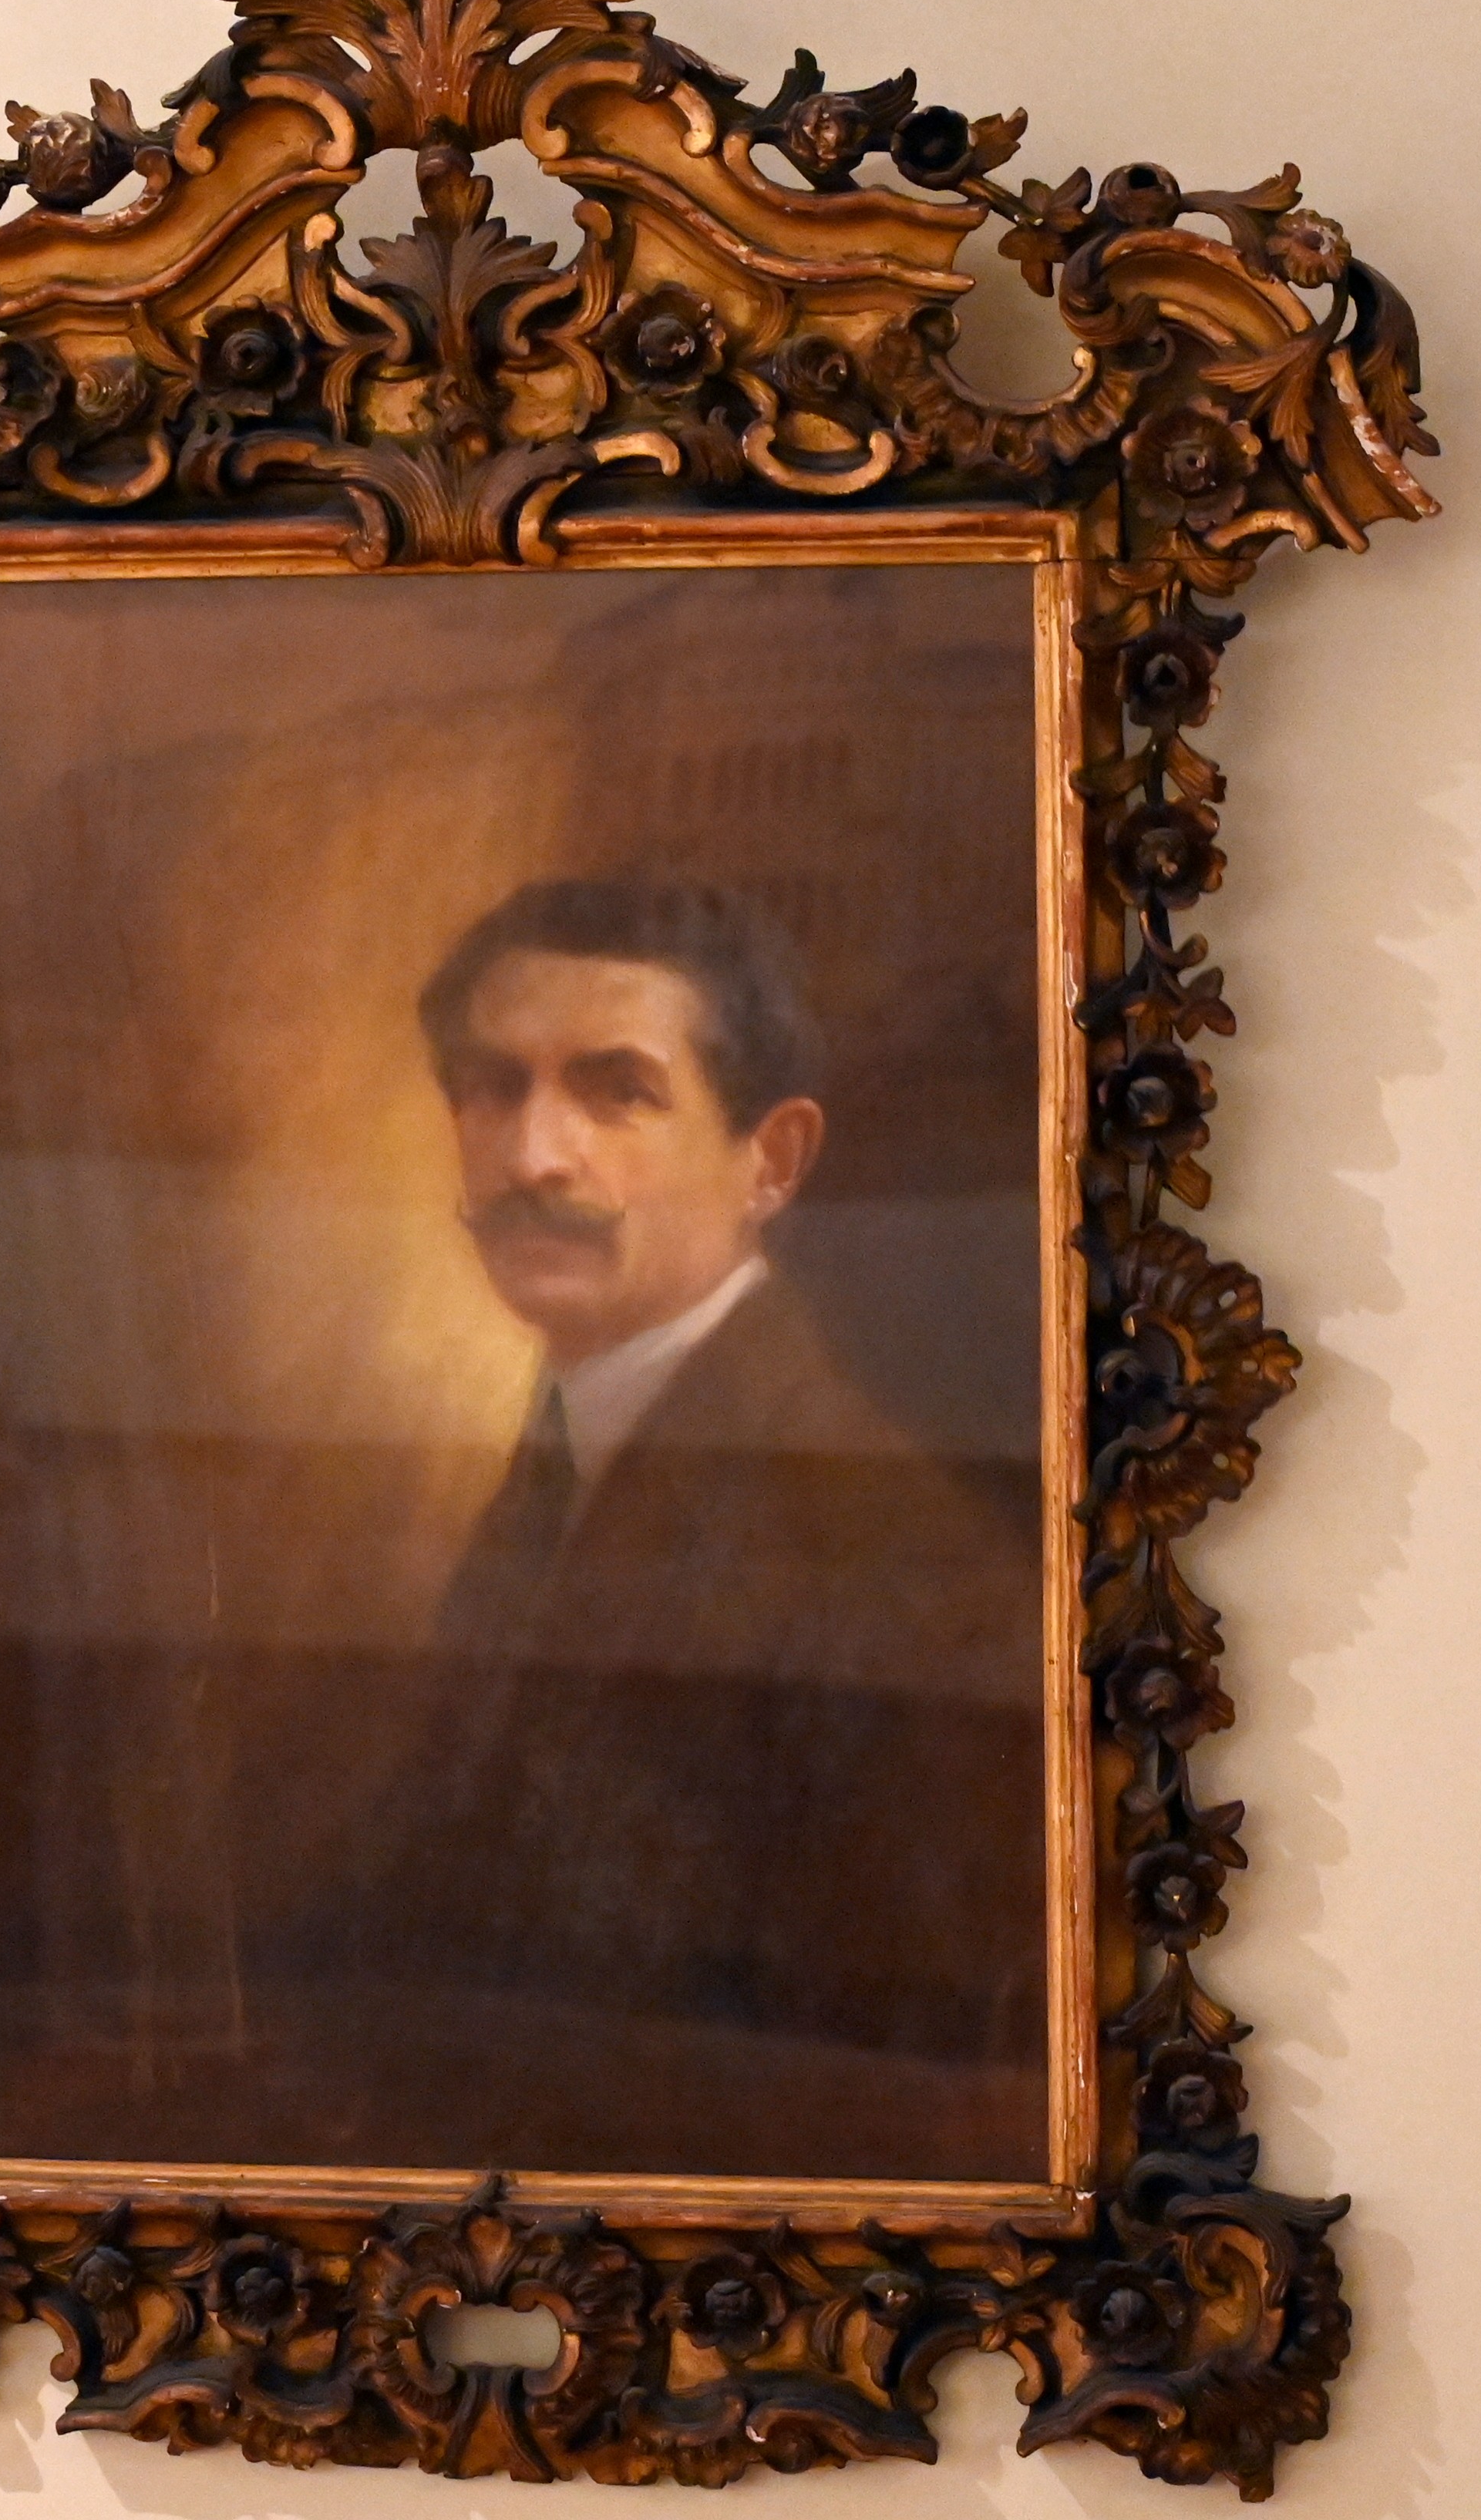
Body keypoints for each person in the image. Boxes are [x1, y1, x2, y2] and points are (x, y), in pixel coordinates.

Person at [306, 877, 1046, 2179]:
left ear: (773, 1161)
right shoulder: (556, 1461)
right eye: (492, 1088)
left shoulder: (878, 1550)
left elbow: (885, 2088)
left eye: (616, 1092)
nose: (534, 1157)